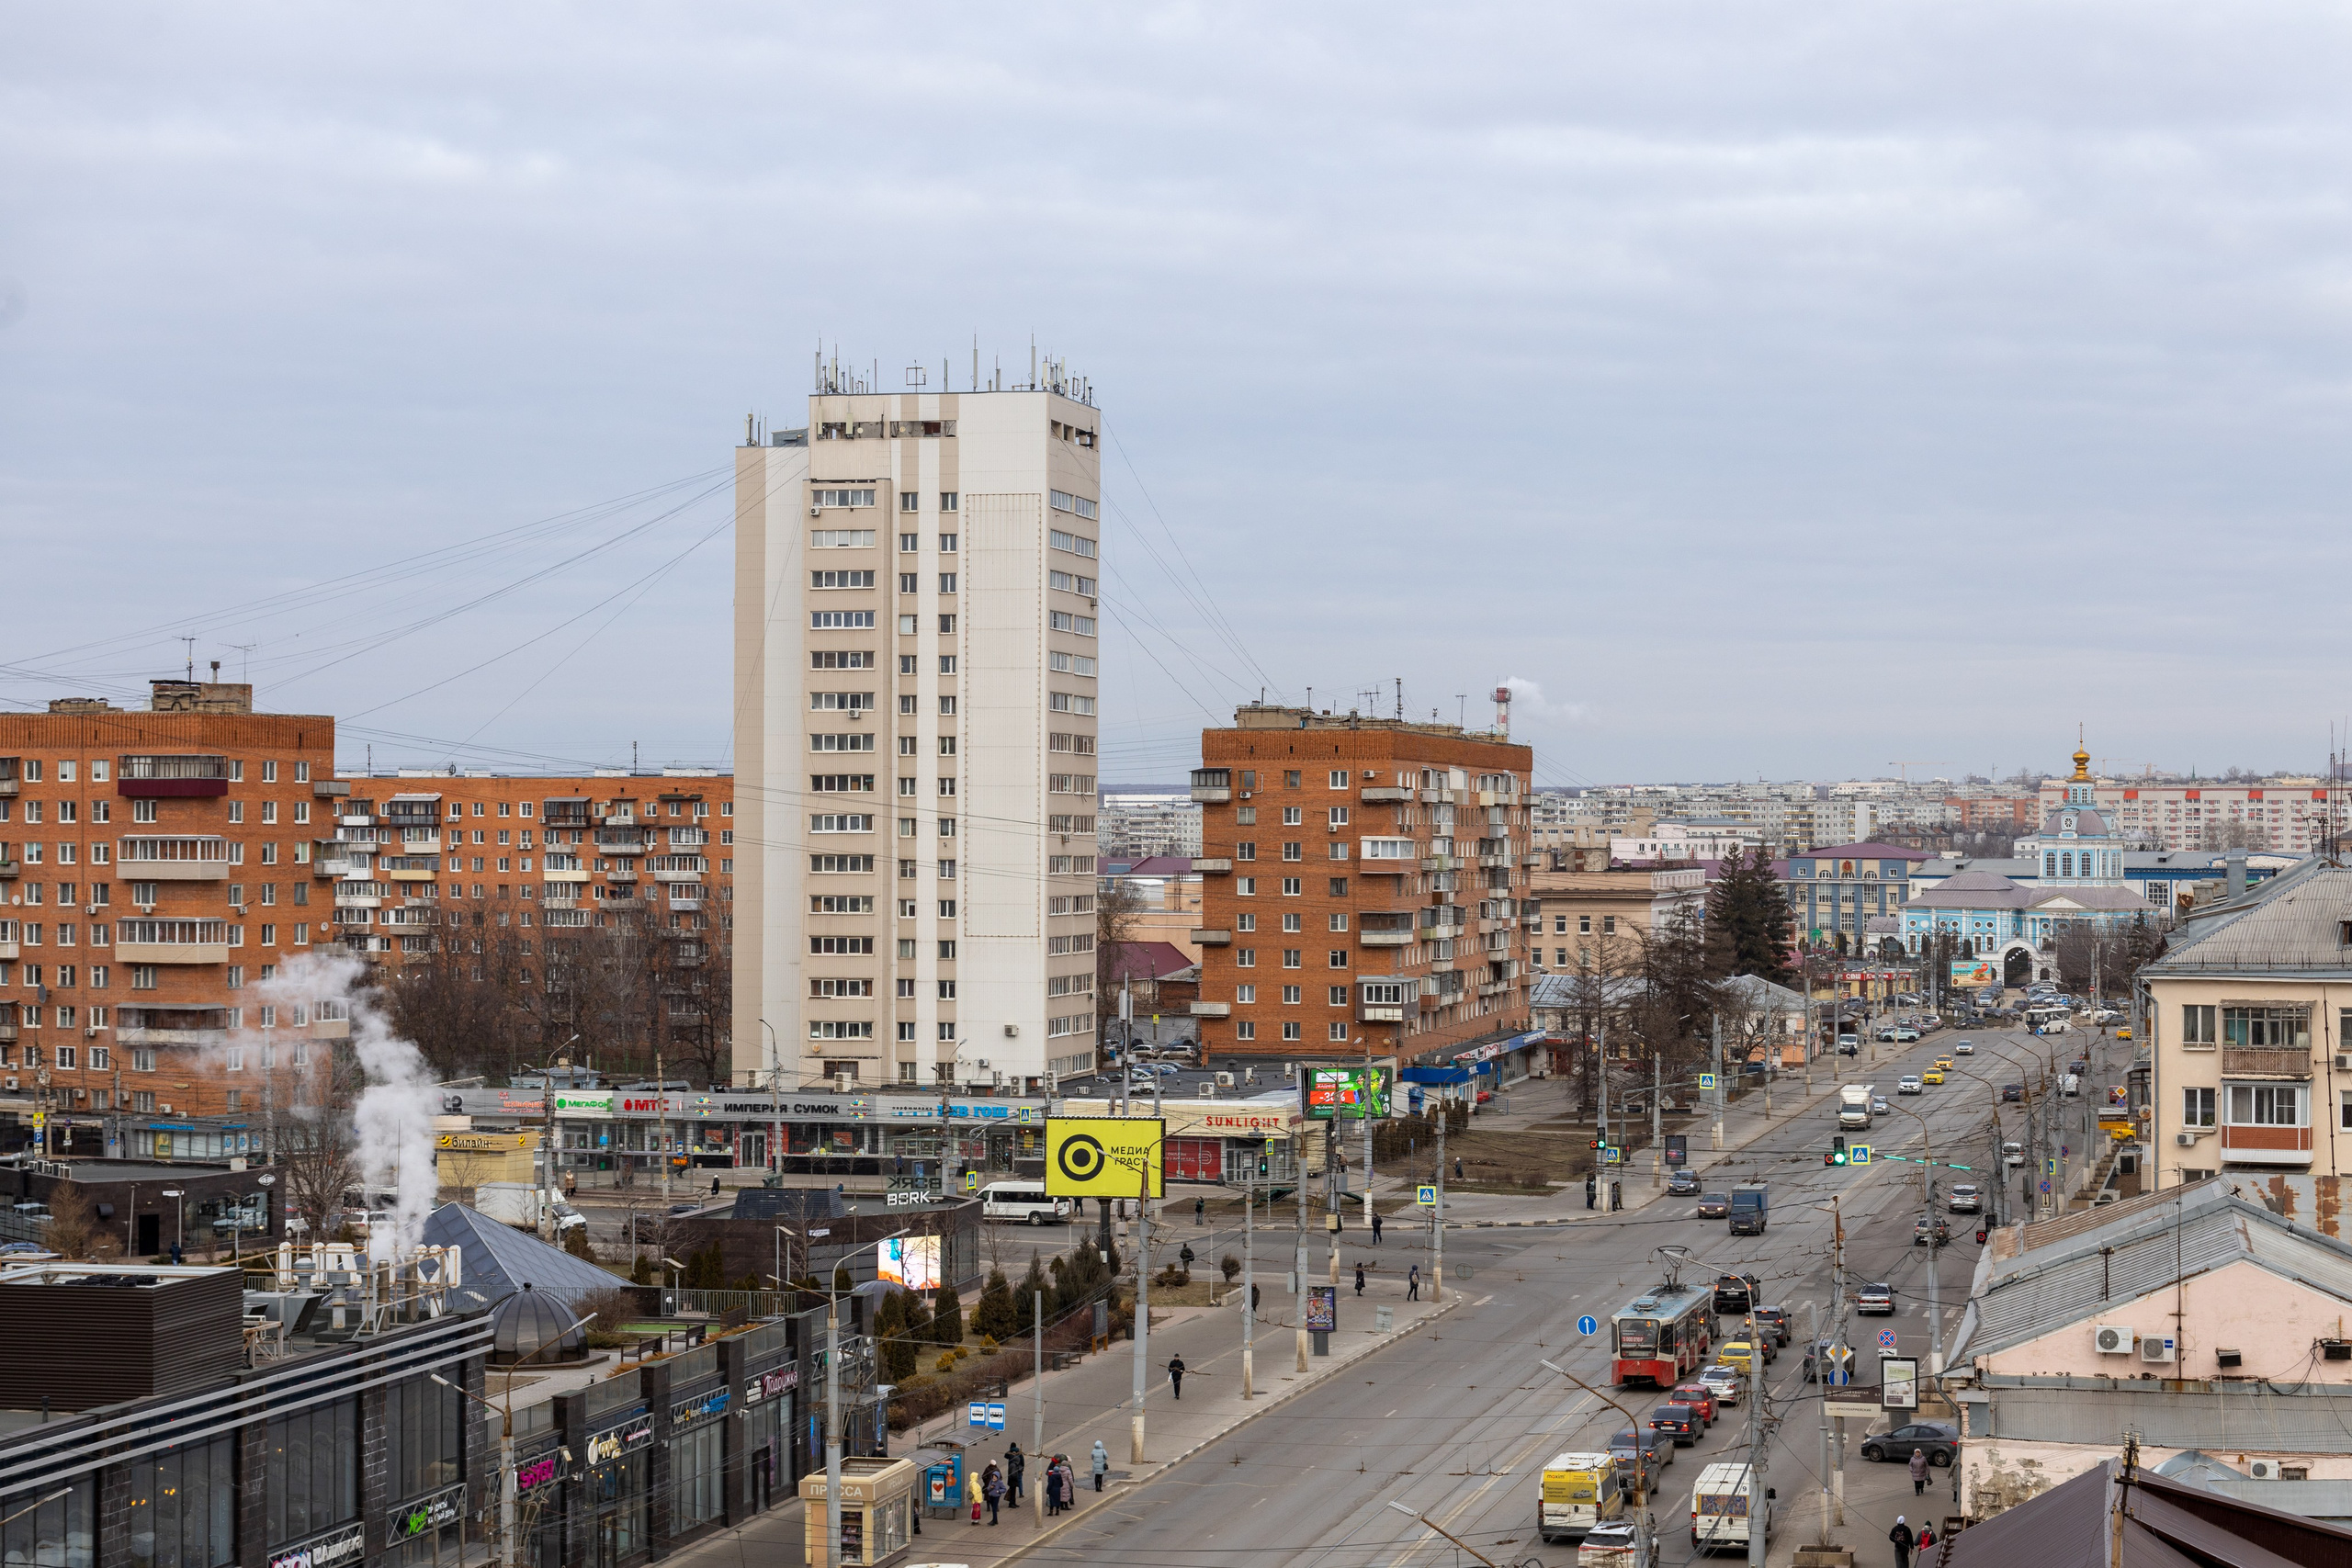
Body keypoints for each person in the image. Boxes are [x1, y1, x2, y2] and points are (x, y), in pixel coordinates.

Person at [982, 1461, 1005, 1525]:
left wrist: (998, 1491)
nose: (994, 1478)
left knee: (994, 1509)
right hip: (991, 1495)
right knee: (993, 1508)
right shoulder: (991, 1481)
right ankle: (995, 1520)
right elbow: (988, 1489)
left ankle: (994, 1521)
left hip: (996, 1496)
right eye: (993, 1476)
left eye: (995, 1476)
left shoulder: (1000, 1482)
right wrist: (990, 1487)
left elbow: (1004, 1489)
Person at [1005, 1441, 1024, 1505]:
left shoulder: (1010, 1454)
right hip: (1018, 1470)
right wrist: (1022, 1469)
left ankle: (1012, 1501)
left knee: (1013, 1488)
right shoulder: (1019, 1453)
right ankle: (1021, 1493)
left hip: (1011, 1472)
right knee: (1019, 1482)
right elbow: (1023, 1461)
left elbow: (1005, 1455)